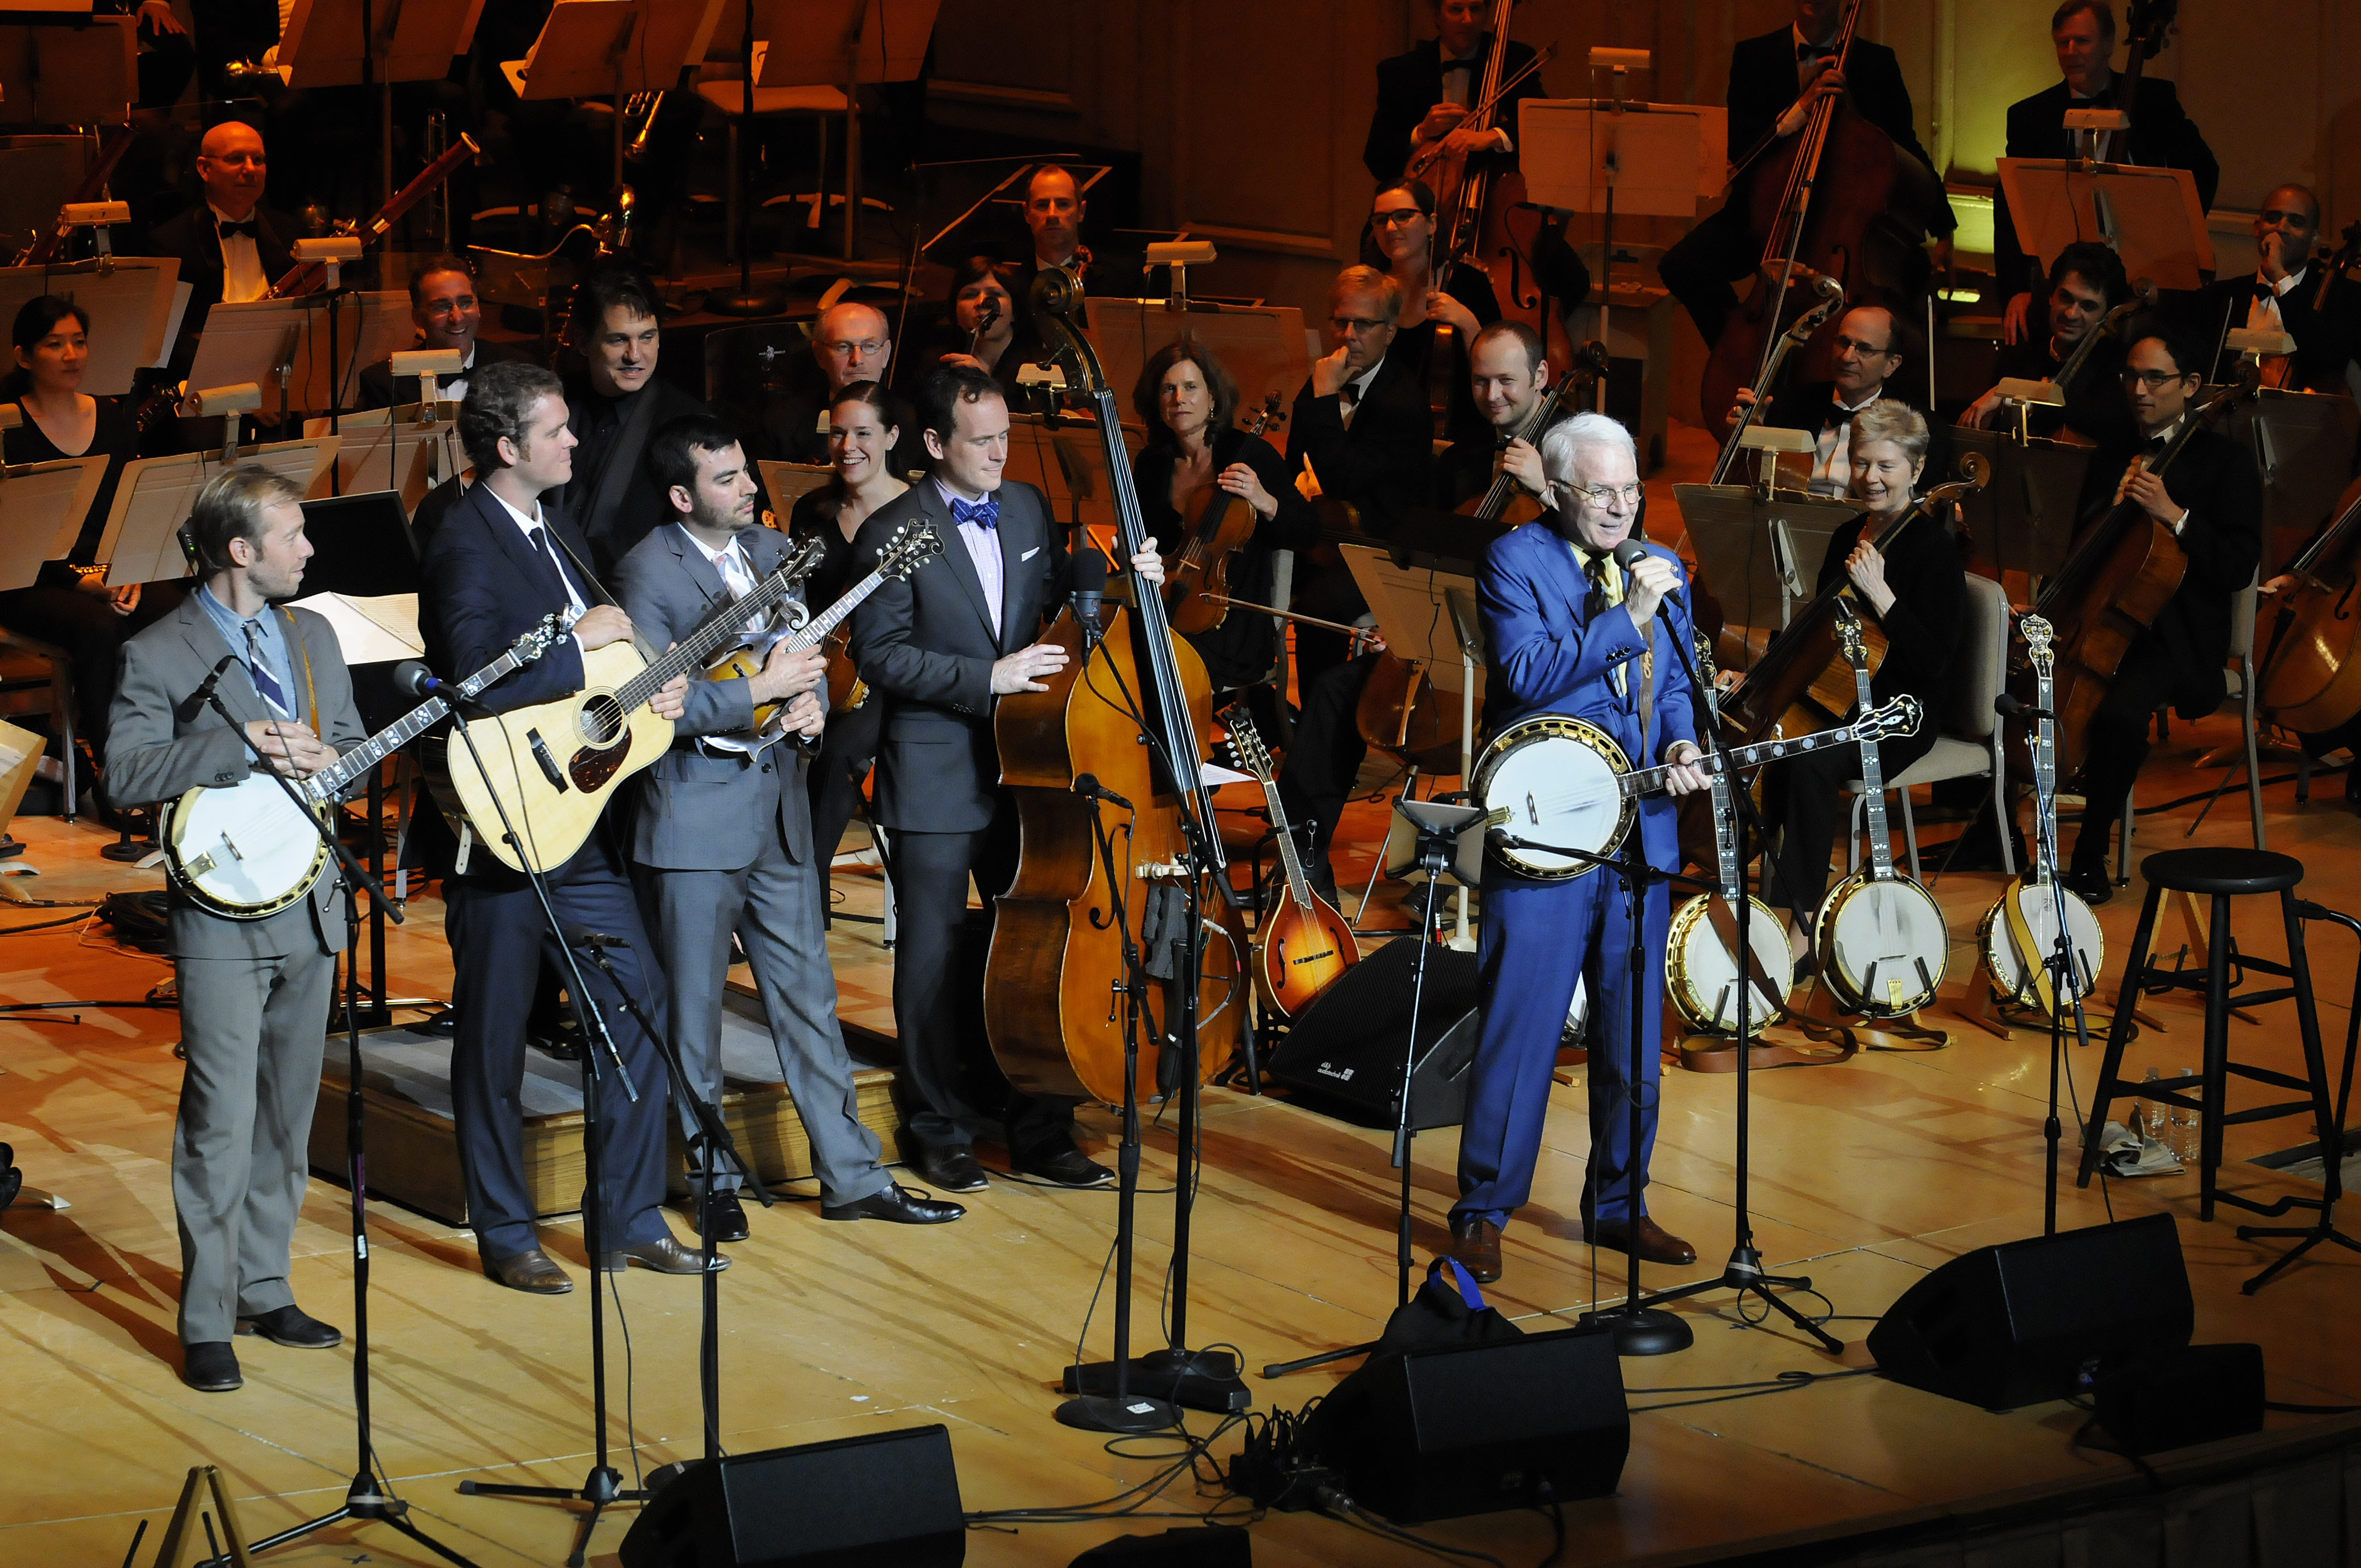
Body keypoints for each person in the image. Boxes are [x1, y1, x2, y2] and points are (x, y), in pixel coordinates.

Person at [617, 413, 964, 1238]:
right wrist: (756, 691)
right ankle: (706, 1178)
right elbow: (651, 704)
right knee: (693, 1015)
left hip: (779, 807)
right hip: (693, 821)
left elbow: (805, 664)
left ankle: (851, 1174)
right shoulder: (645, 574)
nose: (749, 489)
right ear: (680, 496)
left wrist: (808, 702)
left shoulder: (777, 555)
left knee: (809, 996)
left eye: (747, 473)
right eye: (728, 479)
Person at [422, 360, 712, 1293]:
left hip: (575, 823)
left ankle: (624, 1215)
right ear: (508, 447)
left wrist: (650, 680)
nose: (575, 441)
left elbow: (598, 665)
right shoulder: (465, 538)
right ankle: (506, 1230)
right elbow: (471, 676)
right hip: (503, 827)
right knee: (496, 1038)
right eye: (557, 431)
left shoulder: (560, 531)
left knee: (638, 1002)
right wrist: (571, 643)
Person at [845, 363, 1165, 1194]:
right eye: (981, 440)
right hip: (937, 770)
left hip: (1035, 768)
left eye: (1004, 437)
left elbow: (1066, 608)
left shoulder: (1025, 505)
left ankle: (1042, 1128)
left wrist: (1132, 583)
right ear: (933, 443)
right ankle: (936, 1127)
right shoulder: (888, 532)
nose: (998, 453)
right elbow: (878, 654)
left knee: (1040, 947)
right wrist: (986, 678)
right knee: (931, 955)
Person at [105, 466, 366, 1391]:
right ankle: (206, 1313)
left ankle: (265, 1283)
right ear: (240, 551)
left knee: (289, 1118)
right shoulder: (160, 650)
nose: (309, 548)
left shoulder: (314, 635)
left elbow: (355, 757)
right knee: (221, 1116)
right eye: (292, 535)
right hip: (220, 913)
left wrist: (334, 758)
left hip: (311, 903)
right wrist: (240, 743)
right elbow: (126, 774)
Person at [1449, 412, 1711, 1284]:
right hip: (1549, 828)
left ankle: (1619, 1205)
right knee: (1522, 1028)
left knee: (1634, 1037)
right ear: (1558, 492)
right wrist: (1631, 612)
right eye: (1601, 491)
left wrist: (1678, 744)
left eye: (1633, 489)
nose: (1621, 506)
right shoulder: (1514, 561)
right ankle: (1486, 1209)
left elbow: (1673, 683)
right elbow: (1525, 673)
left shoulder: (1659, 566)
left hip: (1641, 829)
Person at [2059, 320, 2260, 905]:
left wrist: (2174, 513)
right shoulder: (2114, 451)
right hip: (2103, 623)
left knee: (2120, 716)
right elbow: (2082, 541)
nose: (2139, 390)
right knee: (2021, 694)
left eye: (2155, 378)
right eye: (2131, 376)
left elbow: (2237, 566)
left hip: (2178, 639)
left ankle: (2087, 855)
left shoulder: (2226, 464)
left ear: (2192, 385)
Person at [1760, 403, 1966, 957]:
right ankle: (1758, 903)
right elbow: (1819, 631)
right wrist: (1763, 673)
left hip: (1900, 713)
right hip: (1838, 696)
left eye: (1886, 466)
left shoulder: (1935, 552)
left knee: (1806, 760)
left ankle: (1801, 927)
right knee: (1763, 741)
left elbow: (1933, 663)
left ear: (1916, 471)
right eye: (1860, 463)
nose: (1870, 478)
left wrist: (1883, 596)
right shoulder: (1849, 532)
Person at [1658, 0, 1954, 351]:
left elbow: (1905, 149)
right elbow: (1739, 150)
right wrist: (1802, 107)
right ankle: (1740, 346)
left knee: (1912, 272)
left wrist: (1944, 228)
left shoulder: (1877, 63)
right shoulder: (1753, 56)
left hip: (1840, 221)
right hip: (1764, 216)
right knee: (1682, 264)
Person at [0, 297, 162, 780]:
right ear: (24, 357)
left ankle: (176, 760)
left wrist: (131, 570)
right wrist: (81, 582)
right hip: (27, 578)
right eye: (55, 345)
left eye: (79, 342)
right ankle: (121, 774)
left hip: (109, 570)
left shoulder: (112, 419)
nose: (72, 355)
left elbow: (133, 506)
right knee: (98, 628)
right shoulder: (6, 426)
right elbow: (12, 536)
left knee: (177, 607)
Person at [1992, 2, 2216, 346]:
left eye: (2082, 41)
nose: (2070, 52)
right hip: (2063, 279)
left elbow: (2204, 171)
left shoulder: (2154, 101)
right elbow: (2009, 203)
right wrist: (2017, 290)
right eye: (2062, 43)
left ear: (2110, 44)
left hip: (2143, 273)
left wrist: (2172, 239)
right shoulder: (2030, 116)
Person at [1131, 338, 1318, 715]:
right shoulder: (1153, 463)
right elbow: (1141, 538)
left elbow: (1309, 532)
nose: (1179, 398)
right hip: (1166, 603)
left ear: (1213, 398)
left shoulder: (1249, 454)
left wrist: (1264, 500)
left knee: (1158, 669)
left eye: (1190, 387)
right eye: (1168, 389)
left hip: (1232, 622)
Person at [788, 383, 910, 917]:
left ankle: (806, 905)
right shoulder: (812, 510)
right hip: (820, 666)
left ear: (891, 436)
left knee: (838, 754)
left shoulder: (920, 512)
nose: (848, 445)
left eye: (863, 432)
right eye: (838, 432)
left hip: (894, 677)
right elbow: (796, 604)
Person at [1288, 264, 1433, 689]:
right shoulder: (1326, 377)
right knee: (1246, 576)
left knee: (1318, 607)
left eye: (1364, 324)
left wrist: (1323, 396)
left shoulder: (1402, 401)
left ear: (1389, 331)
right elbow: (1296, 463)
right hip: (1326, 534)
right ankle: (1261, 713)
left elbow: (1340, 479)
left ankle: (1321, 719)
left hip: (1381, 549)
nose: (1349, 334)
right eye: (1341, 321)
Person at [559, 262, 746, 575]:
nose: (635, 355)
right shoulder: (556, 405)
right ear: (582, 342)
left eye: (647, 337)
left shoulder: (688, 422)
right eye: (618, 340)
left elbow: (697, 540)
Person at [1727, 304, 1932, 498]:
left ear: (1891, 365)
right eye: (1843, 343)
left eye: (1864, 349)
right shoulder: (1787, 404)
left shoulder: (1916, 427)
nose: (1847, 357)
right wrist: (1751, 431)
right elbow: (1751, 482)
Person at [1957, 241, 2136, 448]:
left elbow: (2092, 412)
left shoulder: (2116, 369)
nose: (2071, 314)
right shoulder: (2021, 354)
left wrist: (2008, 393)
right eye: (2066, 298)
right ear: (2051, 296)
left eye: (2088, 306)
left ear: (2107, 315)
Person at [1366, 177, 1498, 446]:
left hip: (1457, 438)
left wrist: (1467, 322)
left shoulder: (1468, 283)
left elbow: (1500, 369)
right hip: (1385, 434)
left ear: (1432, 224)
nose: (1391, 227)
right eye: (1381, 220)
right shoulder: (1371, 288)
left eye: (1404, 216)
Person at [150, 118, 294, 364]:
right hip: (205, 377)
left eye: (258, 160)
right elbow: (165, 340)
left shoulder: (290, 232)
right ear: (205, 169)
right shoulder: (170, 243)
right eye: (236, 159)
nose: (250, 169)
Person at [1363, 0, 1547, 186]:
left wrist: (1492, 137)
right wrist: (1422, 132)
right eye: (1456, 10)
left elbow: (1542, 125)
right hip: (1424, 200)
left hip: (1493, 191)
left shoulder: (1514, 58)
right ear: (1437, 15)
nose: (1467, 20)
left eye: (1475, 9)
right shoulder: (1400, 71)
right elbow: (1378, 161)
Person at [2193, 186, 2352, 393]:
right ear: (2257, 228)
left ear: (2315, 238)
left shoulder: (2343, 296)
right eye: (2274, 218)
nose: (2281, 228)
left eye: (2296, 222)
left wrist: (2280, 278)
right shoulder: (2218, 296)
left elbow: (2327, 361)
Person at [758, 300, 920, 471]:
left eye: (870, 346)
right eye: (843, 347)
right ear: (819, 355)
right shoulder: (779, 424)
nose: (857, 360)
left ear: (886, 354)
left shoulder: (917, 426)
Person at [357, 255, 530, 410]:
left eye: (465, 303)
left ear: (478, 308)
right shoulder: (382, 383)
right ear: (417, 318)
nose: (457, 317)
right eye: (442, 307)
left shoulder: (520, 371)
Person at [1433, 320, 1568, 509]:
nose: (1492, 395)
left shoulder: (1583, 448)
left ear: (1540, 376)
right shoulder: (1456, 459)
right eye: (1481, 380)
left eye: (1506, 380)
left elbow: (1600, 534)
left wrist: (1543, 491)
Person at [902, 255, 1031, 394]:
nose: (982, 302)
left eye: (994, 294)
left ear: (1015, 311)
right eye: (970, 295)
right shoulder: (937, 362)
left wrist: (984, 385)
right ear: (956, 311)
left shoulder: (1037, 365)